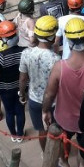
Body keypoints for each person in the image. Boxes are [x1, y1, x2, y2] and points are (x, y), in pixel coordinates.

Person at [42, 17, 84, 167]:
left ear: (68, 40)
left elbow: (49, 94)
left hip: (64, 117)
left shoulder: (59, 68)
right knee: (83, 148)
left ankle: (64, 163)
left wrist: (45, 111)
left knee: (62, 140)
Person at [18, 16, 60, 152]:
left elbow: (23, 78)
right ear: (52, 36)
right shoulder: (56, 59)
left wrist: (21, 94)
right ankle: (59, 157)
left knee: (41, 131)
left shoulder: (26, 54)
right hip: (53, 101)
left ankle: (45, 153)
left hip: (34, 99)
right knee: (56, 129)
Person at [0, 20, 25, 143]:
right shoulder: (24, 51)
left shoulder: (1, 55)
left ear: (3, 40)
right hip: (21, 88)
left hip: (5, 89)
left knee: (9, 112)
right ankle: (20, 135)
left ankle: (13, 135)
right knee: (20, 111)